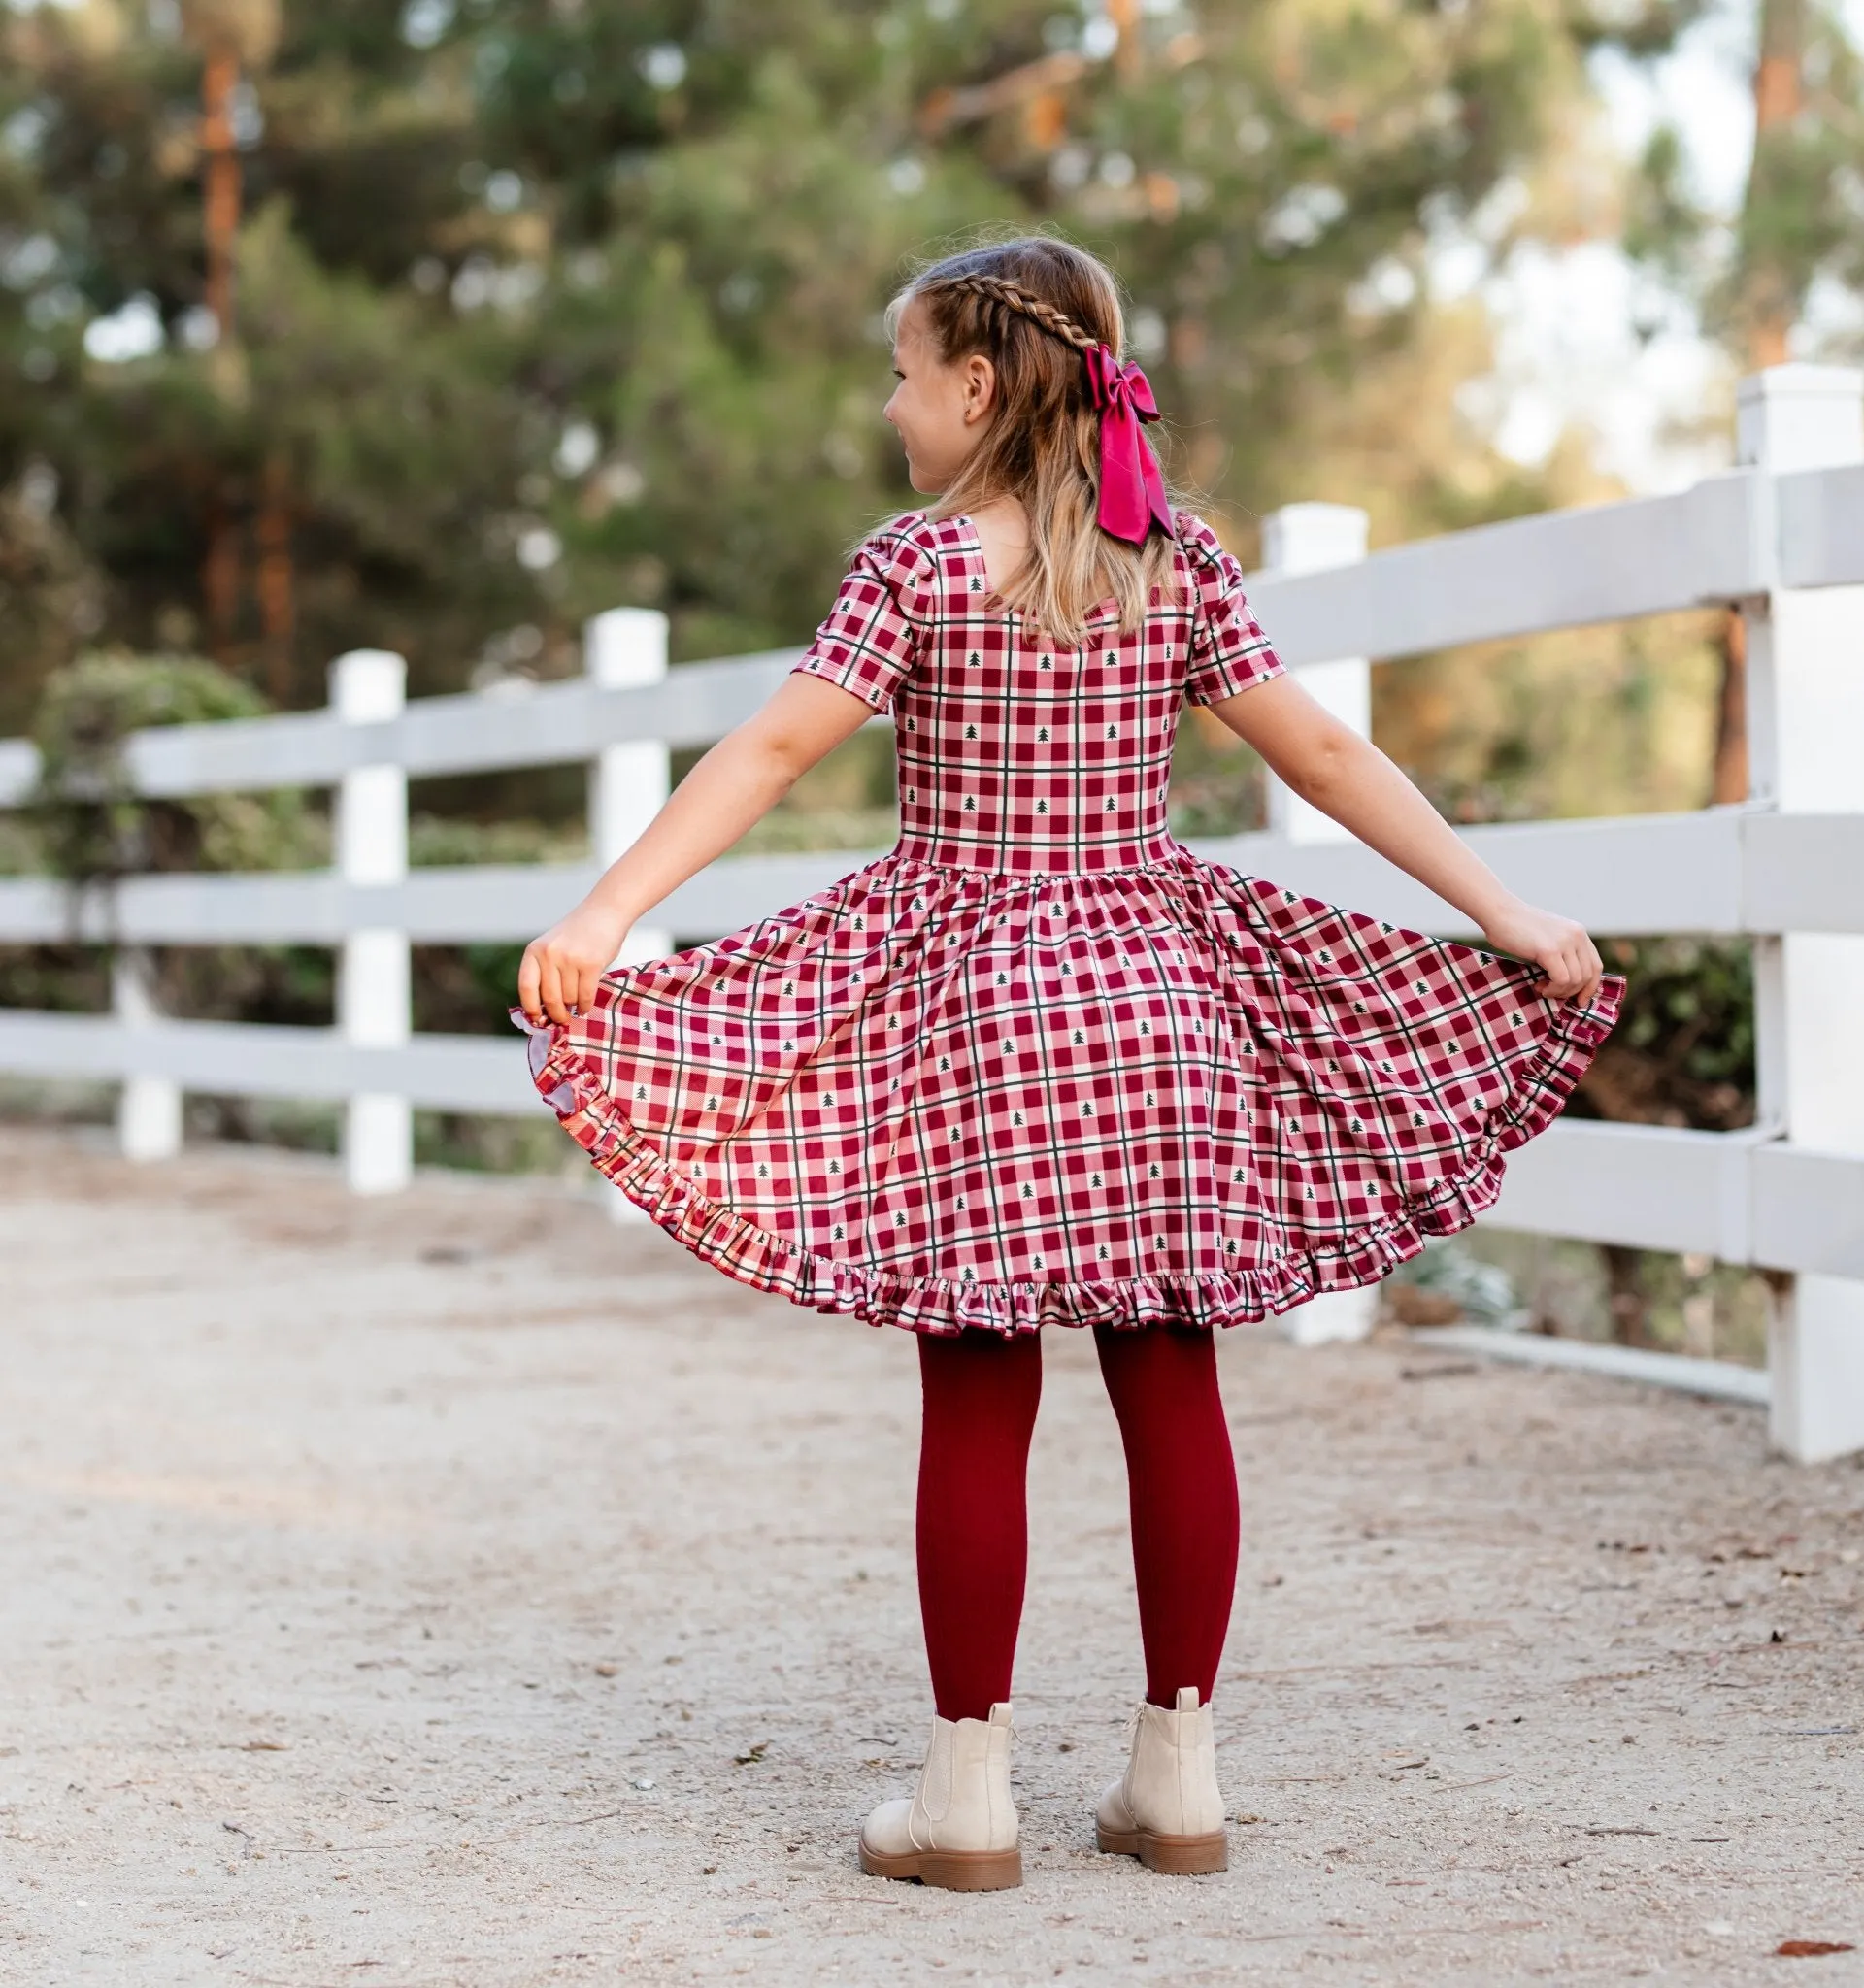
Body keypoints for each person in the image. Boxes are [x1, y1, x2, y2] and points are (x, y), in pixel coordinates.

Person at [515, 235, 1622, 1893]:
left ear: (974, 384)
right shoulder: (1170, 557)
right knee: (1169, 1372)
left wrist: (611, 910)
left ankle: (968, 1799)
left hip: (975, 1013)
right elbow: (1321, 752)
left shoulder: (915, 570)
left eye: (902, 373)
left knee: (977, 1380)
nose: (890, 407)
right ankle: (1178, 1779)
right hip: (1158, 1005)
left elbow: (772, 746)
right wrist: (1507, 907)